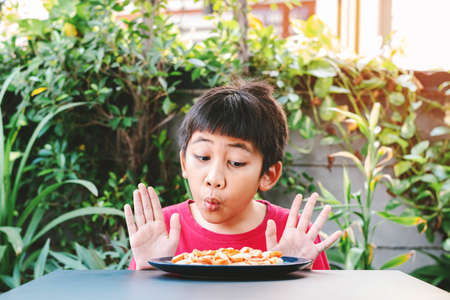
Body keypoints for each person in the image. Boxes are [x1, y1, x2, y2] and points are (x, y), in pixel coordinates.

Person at [124, 81, 342, 270]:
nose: (214, 178)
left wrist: (294, 272)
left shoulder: (294, 235)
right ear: (184, 163)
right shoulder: (162, 230)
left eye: (236, 162)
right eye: (202, 157)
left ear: (268, 174)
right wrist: (145, 273)